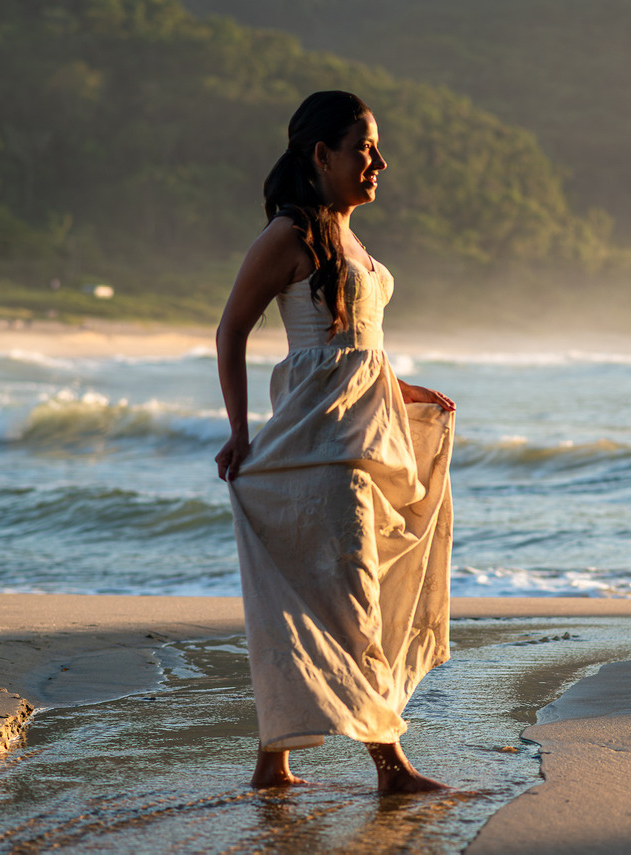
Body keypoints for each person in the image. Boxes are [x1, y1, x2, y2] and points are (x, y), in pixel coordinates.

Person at [215, 91, 456, 792]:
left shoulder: (350, 240)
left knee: (331, 598)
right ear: (321, 155)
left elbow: (356, 350)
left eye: (376, 149)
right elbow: (232, 329)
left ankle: (273, 760)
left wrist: (403, 389)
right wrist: (238, 429)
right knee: (350, 597)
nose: (378, 161)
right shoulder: (289, 235)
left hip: (363, 440)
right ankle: (390, 765)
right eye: (363, 147)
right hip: (320, 450)